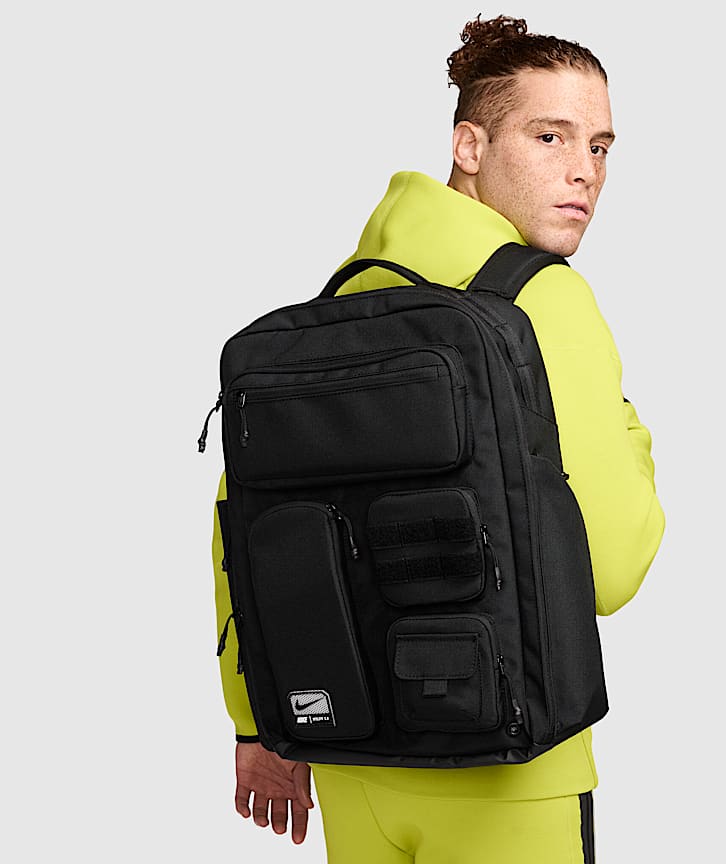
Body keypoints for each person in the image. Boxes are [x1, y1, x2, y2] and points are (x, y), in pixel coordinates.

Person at [211, 15, 665, 863]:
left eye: (600, 146)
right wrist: (632, 433)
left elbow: (243, 524)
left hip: (351, 754)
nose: (584, 171)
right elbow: (612, 570)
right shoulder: (543, 300)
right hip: (510, 771)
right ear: (469, 145)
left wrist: (255, 723)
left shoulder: (342, 302)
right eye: (549, 136)